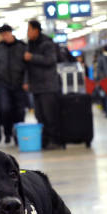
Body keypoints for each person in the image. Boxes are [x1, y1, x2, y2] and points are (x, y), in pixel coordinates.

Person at [23, 19, 62, 150]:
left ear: (36, 30)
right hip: (36, 86)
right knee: (39, 116)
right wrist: (26, 81)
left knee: (50, 115)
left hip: (48, 86)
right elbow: (28, 66)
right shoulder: (30, 44)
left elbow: (51, 60)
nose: (27, 33)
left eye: (29, 29)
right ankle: (45, 140)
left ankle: (55, 141)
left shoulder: (47, 43)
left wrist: (32, 57)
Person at [0, 24, 27, 144]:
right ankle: (7, 133)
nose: (5, 36)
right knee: (5, 109)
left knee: (20, 111)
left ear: (11, 33)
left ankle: (18, 136)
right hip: (3, 84)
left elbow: (27, 67)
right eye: (3, 34)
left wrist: (26, 81)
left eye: (7, 33)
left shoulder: (21, 46)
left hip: (19, 83)